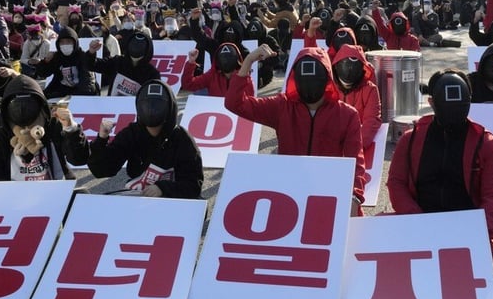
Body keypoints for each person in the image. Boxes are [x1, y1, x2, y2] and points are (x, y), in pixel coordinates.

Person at [387, 70, 493, 274]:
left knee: (490, 260)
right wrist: (418, 222)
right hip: (418, 222)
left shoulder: (487, 146)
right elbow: (396, 184)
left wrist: (472, 234)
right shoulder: (410, 139)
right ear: (431, 102)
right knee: (375, 246)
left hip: (466, 229)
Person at [226, 45, 367, 215]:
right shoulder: (281, 106)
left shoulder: (347, 115)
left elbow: (356, 161)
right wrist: (249, 61)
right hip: (289, 194)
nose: (310, 86)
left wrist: (355, 196)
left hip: (327, 194)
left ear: (327, 79)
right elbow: (235, 103)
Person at [84, 79, 204, 198]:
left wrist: (163, 188)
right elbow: (101, 170)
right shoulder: (132, 133)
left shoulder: (182, 139)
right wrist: (101, 139)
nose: (151, 110)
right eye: (147, 106)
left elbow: (193, 186)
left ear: (169, 108)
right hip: (139, 197)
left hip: (174, 199)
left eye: (157, 106)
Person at [0, 75, 89, 181]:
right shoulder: (0, 138)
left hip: (58, 191)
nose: (22, 109)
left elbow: (79, 159)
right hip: (16, 197)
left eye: (28, 103)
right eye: (16, 105)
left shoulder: (55, 127)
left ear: (41, 106)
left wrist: (71, 129)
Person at [332, 44, 382, 159]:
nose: (349, 71)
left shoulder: (370, 90)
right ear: (336, 67)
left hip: (357, 151)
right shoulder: (329, 87)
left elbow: (371, 121)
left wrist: (354, 148)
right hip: (331, 150)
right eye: (345, 66)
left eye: (353, 68)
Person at [35, 27, 99, 99]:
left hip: (79, 92)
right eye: (62, 42)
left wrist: (70, 96)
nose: (65, 45)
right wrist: (45, 61)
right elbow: (42, 73)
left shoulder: (83, 57)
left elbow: (88, 85)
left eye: (68, 42)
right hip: (61, 91)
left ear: (75, 43)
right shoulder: (57, 57)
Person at [92, 31, 161, 96]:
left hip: (136, 108)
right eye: (134, 45)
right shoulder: (117, 62)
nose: (136, 48)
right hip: (112, 107)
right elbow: (93, 65)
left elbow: (154, 97)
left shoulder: (152, 74)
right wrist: (91, 53)